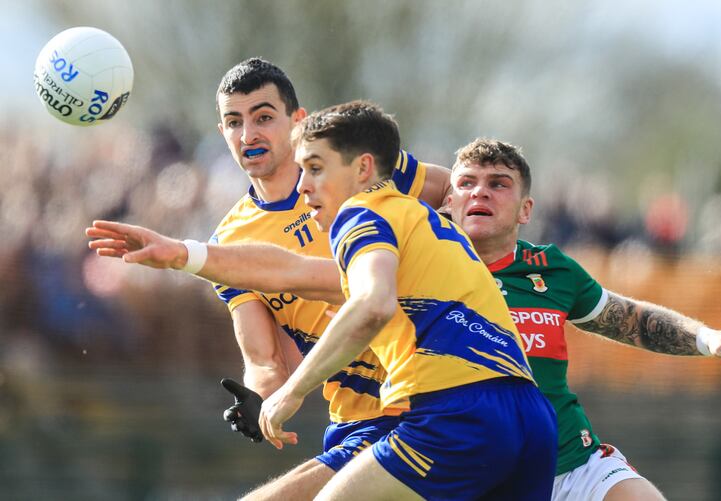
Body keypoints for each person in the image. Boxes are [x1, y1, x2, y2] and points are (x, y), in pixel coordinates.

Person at [88, 102, 559, 500]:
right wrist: (182, 253)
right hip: (530, 417)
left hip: (456, 413)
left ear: (362, 169)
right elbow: (293, 272)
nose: (304, 183)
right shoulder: (419, 222)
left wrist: (293, 391)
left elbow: (371, 306)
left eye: (314, 167)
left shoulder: (363, 211)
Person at [109, 58, 453, 501]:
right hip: (355, 418)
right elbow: (264, 358)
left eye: (264, 117)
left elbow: (453, 194)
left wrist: (432, 255)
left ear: (298, 121)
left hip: (424, 399)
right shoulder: (230, 241)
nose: (249, 134)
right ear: (222, 134)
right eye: (234, 122)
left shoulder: (353, 167)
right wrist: (258, 397)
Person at [443, 138, 721, 501]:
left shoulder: (552, 269)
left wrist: (707, 338)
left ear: (526, 210)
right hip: (470, 474)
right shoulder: (421, 268)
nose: (480, 193)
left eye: (498, 184)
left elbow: (630, 320)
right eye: (467, 183)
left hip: (570, 465)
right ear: (449, 202)